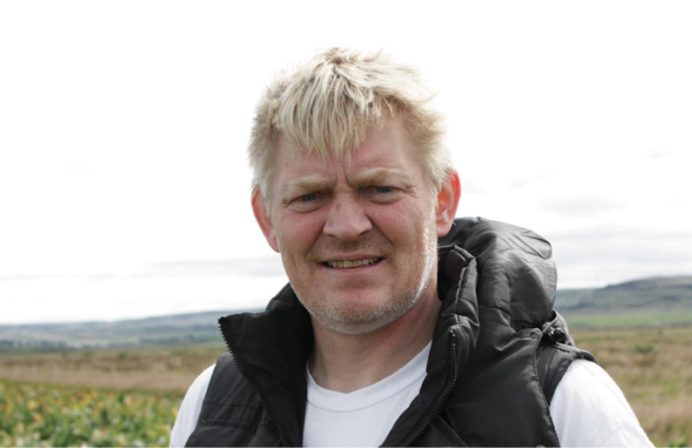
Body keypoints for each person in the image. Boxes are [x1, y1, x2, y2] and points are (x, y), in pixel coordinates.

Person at [170, 48, 651, 447]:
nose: (347, 226)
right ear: (267, 219)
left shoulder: (560, 407)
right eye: (310, 196)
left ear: (442, 202)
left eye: (380, 189)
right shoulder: (213, 408)